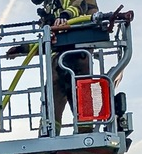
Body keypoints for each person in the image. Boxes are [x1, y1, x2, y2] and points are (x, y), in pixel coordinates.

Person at [34, 0, 99, 133]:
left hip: (77, 54)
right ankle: (49, 136)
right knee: (51, 103)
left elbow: (79, 6)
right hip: (58, 60)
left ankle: (85, 134)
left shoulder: (64, 7)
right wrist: (22, 48)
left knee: (82, 98)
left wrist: (65, 15)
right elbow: (47, 40)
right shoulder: (50, 6)